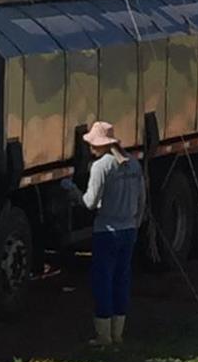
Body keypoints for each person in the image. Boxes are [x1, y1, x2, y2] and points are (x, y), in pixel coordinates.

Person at [62, 120, 146, 348]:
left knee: (103, 281)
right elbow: (142, 201)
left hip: (107, 231)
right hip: (128, 229)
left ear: (99, 145)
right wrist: (135, 224)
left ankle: (103, 335)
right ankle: (118, 333)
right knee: (122, 279)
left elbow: (89, 202)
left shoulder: (101, 167)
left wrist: (72, 191)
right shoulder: (133, 165)